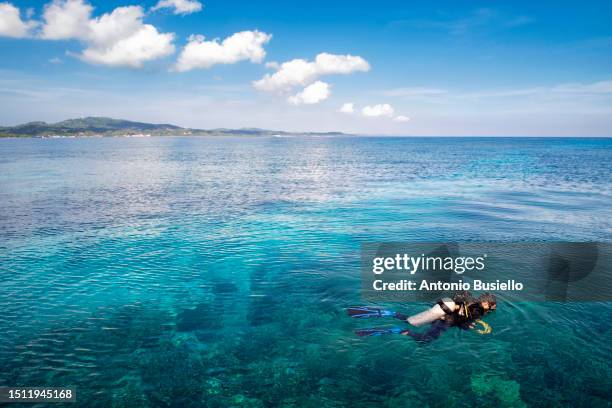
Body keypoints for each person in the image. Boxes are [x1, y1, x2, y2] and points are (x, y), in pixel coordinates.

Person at [348, 292, 496, 342]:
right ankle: (402, 331)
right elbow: (462, 324)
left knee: (410, 319)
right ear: (486, 304)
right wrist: (469, 326)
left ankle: (391, 313)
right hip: (444, 322)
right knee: (425, 340)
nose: (493, 308)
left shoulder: (469, 300)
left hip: (439, 312)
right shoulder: (477, 312)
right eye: (492, 306)